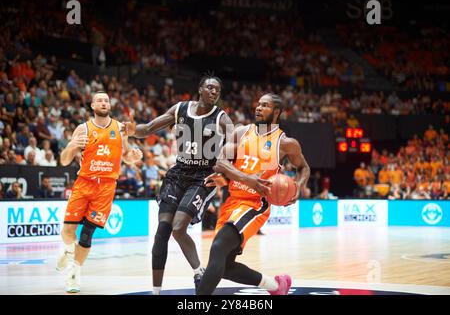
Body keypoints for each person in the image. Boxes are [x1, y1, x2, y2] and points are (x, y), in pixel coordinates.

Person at [124, 75, 233, 295]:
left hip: (203, 177)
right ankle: (156, 291)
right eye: (210, 88)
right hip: (178, 174)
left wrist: (226, 169)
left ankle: (198, 271)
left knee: (178, 227)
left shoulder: (222, 119)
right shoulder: (180, 109)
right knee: (162, 231)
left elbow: (233, 146)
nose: (213, 92)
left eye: (217, 90)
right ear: (200, 89)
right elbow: (148, 129)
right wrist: (132, 130)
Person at [197, 93, 310, 295]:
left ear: (276, 112)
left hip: (256, 204)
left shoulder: (286, 143)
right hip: (232, 201)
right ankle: (276, 286)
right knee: (225, 265)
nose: (258, 108)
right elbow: (221, 163)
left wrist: (298, 187)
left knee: (219, 248)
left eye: (265, 105)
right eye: (258, 104)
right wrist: (245, 179)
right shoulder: (241, 132)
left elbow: (304, 168)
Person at [57, 91, 143, 293]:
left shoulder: (120, 129)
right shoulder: (83, 129)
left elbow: (126, 157)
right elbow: (63, 160)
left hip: (106, 187)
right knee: (68, 231)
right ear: (92, 106)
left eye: (106, 100)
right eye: (99, 100)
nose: (104, 103)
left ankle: (74, 273)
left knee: (87, 235)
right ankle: (68, 251)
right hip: (84, 183)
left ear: (109, 105)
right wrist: (71, 147)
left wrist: (134, 156)